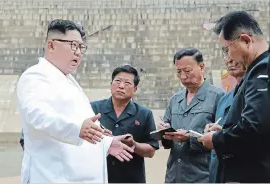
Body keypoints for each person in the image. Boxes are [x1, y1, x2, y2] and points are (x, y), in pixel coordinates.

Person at [16, 19, 135, 184]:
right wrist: (75, 129)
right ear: (51, 45)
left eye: (81, 47)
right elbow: (37, 115)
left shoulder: (69, 81)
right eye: (73, 45)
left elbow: (83, 124)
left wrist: (107, 143)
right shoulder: (36, 76)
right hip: (53, 176)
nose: (78, 52)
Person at [199, 11, 270, 183]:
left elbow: (254, 127)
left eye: (226, 49)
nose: (228, 57)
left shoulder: (262, 70)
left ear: (246, 40)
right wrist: (225, 131)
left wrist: (216, 139)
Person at [157, 47, 224, 183]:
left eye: (187, 71)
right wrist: (163, 132)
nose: (183, 76)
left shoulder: (218, 97)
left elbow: (223, 138)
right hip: (174, 176)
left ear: (201, 67)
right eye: (179, 72)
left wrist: (190, 137)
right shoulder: (175, 99)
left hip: (203, 176)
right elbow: (167, 143)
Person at [90, 65, 159, 183]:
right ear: (111, 84)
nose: (121, 86)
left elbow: (151, 150)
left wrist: (134, 144)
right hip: (98, 177)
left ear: (135, 89)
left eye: (127, 83)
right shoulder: (93, 108)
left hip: (130, 178)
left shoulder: (144, 114)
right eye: (117, 81)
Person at [204, 57, 245, 183]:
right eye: (226, 53)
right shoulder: (224, 99)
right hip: (219, 170)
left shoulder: (257, 94)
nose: (230, 60)